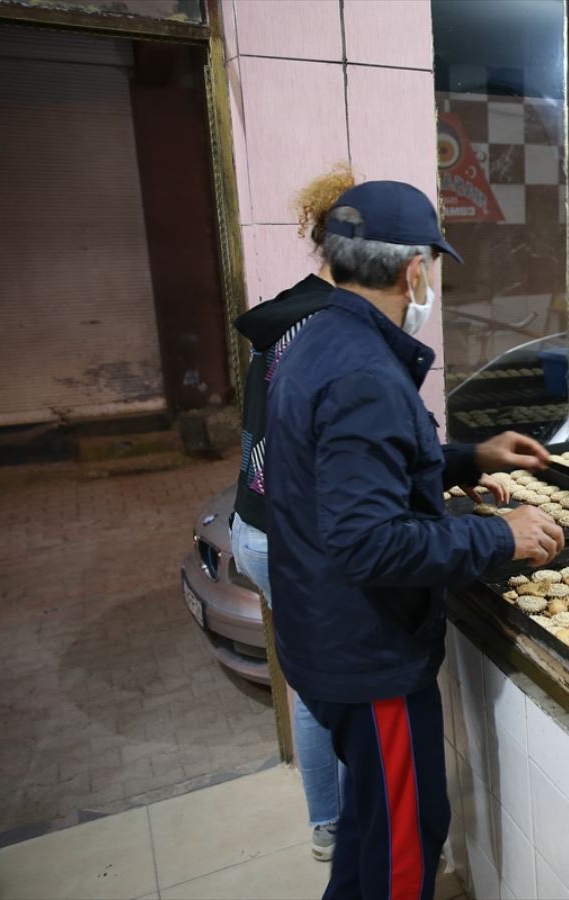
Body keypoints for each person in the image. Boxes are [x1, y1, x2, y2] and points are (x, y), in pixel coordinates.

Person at [264, 180, 565, 900]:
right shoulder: (363, 371)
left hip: (324, 637)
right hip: (368, 658)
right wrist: (502, 539)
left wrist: (470, 458)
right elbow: (367, 542)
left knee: (370, 826)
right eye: (431, 264)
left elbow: (360, 469)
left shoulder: (317, 339)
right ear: (412, 271)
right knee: (405, 843)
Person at [229, 164, 353, 862]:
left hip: (255, 523)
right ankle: (337, 824)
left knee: (308, 678)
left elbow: (259, 435)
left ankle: (329, 819)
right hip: (290, 537)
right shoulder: (333, 330)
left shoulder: (285, 311)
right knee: (321, 685)